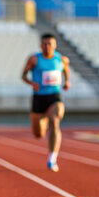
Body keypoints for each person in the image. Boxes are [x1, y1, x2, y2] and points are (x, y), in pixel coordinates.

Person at [21, 33, 70, 172]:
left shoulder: (61, 59)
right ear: (40, 45)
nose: (47, 47)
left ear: (55, 45)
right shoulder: (34, 59)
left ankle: (52, 159)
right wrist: (31, 83)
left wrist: (67, 82)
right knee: (38, 134)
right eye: (44, 44)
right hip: (38, 98)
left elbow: (66, 71)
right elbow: (23, 75)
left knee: (55, 121)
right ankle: (43, 120)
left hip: (54, 96)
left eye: (50, 44)